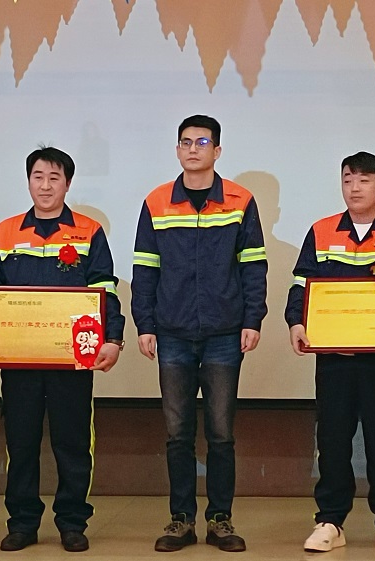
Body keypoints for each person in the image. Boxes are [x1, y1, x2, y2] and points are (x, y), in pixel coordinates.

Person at [0, 146, 125, 553]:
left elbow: (105, 289)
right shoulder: (4, 233)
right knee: (20, 443)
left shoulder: (90, 232)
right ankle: (22, 523)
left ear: (67, 184)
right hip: (18, 360)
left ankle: (72, 522)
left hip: (71, 361)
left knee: (72, 444)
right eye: (38, 177)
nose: (45, 186)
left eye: (54, 178)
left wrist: (113, 338)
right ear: (28, 182)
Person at [132, 115, 267, 553]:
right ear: (177, 150)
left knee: (221, 432)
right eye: (186, 142)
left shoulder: (240, 201)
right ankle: (181, 520)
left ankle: (220, 520)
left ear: (217, 151)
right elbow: (145, 268)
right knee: (178, 434)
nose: (193, 149)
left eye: (202, 142)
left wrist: (252, 319)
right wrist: (144, 323)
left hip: (225, 332)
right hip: (171, 332)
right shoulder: (157, 202)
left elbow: (253, 265)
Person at [286, 152, 375, 555]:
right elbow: (301, 286)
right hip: (334, 359)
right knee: (332, 439)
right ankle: (330, 520)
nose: (354, 188)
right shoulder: (321, 231)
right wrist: (296, 322)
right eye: (347, 180)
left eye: (364, 180)